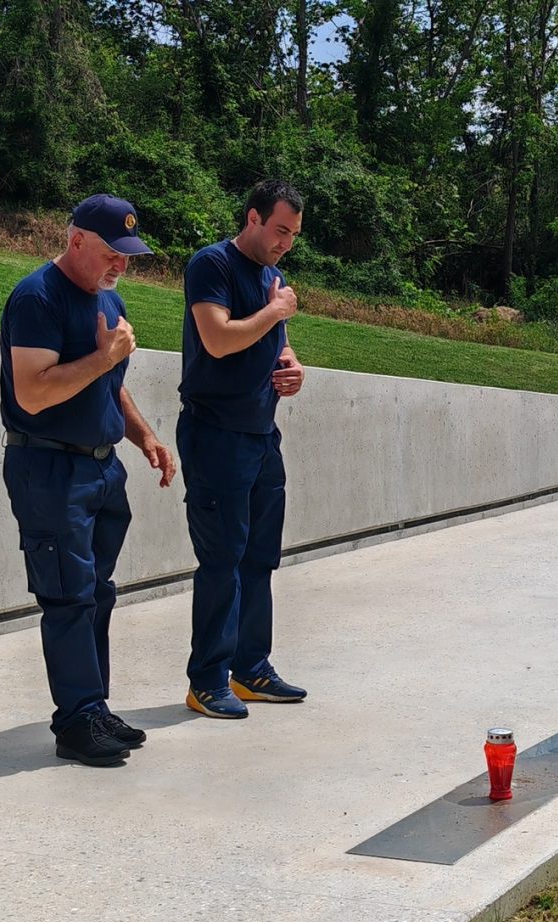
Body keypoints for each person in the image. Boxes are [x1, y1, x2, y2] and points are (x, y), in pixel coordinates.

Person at [0, 194, 176, 766]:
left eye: (128, 256)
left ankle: (93, 708)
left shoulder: (108, 298)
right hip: (50, 467)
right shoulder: (37, 297)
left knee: (97, 592)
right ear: (75, 240)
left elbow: (108, 384)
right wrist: (105, 357)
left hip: (101, 466)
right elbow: (33, 392)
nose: (121, 265)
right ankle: (76, 723)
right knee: (68, 595)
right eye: (111, 253)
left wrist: (143, 436)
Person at [177, 179, 310, 719]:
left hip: (261, 434)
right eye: (280, 230)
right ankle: (207, 682)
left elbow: (277, 347)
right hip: (215, 433)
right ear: (253, 218)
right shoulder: (212, 264)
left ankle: (251, 668)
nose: (286, 243)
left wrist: (293, 367)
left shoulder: (274, 279)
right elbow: (218, 339)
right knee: (222, 560)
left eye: (294, 235)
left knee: (259, 558)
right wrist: (277, 311)